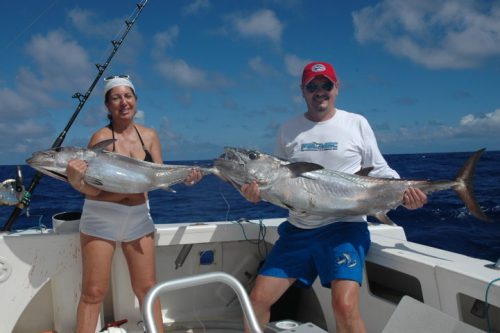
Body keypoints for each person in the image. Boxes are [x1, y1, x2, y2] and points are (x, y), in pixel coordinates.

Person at [241, 62, 428, 333]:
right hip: (299, 229)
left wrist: (405, 193)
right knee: (257, 300)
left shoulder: (356, 123)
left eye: (326, 85)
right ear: (302, 91)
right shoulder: (288, 129)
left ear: (337, 88)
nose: (320, 91)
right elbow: (282, 186)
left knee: (344, 306)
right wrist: (257, 195)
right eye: (312, 86)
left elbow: (380, 169)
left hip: (345, 227)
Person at [66, 75, 202, 333]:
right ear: (108, 106)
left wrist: (187, 179)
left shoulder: (149, 136)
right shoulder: (101, 138)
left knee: (148, 289)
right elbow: (92, 190)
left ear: (136, 101)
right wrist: (76, 181)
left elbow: (160, 175)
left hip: (139, 218)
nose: (123, 102)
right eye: (116, 98)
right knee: (93, 292)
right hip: (101, 218)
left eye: (127, 96)